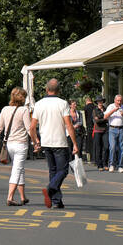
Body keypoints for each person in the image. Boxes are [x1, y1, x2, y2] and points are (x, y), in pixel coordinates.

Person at [29, 78, 79, 210]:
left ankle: (57, 201)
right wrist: (74, 143)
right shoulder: (62, 104)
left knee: (53, 170)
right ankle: (51, 188)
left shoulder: (39, 104)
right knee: (63, 170)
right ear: (59, 90)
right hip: (60, 142)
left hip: (46, 141)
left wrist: (36, 142)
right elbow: (68, 124)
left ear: (46, 89)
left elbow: (32, 127)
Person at [0, 87, 32, 206]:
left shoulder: (5, 109)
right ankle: (10, 197)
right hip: (21, 144)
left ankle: (23, 197)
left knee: (20, 168)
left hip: (9, 144)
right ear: (22, 98)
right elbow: (29, 129)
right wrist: (36, 140)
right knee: (17, 169)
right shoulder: (24, 110)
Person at [105, 94, 123, 172]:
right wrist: (113, 110)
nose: (119, 102)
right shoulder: (110, 106)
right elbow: (105, 117)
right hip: (112, 128)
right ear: (115, 100)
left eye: (120, 100)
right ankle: (112, 164)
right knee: (112, 147)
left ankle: (120, 166)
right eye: (118, 100)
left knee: (122, 148)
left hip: (121, 128)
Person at [86, 96, 107, 169]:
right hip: (97, 130)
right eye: (99, 101)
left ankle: (105, 163)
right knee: (98, 148)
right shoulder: (94, 110)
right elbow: (96, 121)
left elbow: (108, 119)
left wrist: (101, 118)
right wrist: (104, 118)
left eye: (101, 101)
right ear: (97, 102)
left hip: (105, 130)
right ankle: (99, 164)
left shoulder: (105, 109)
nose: (100, 102)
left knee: (106, 147)